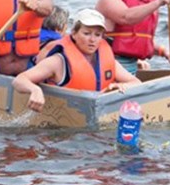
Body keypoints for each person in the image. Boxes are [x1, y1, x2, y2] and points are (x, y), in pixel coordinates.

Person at [13, 9, 141, 113]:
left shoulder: (107, 60)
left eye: (97, 35)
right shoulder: (58, 62)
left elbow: (136, 82)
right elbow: (19, 80)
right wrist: (35, 90)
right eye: (86, 33)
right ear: (74, 34)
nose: (92, 40)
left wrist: (121, 86)